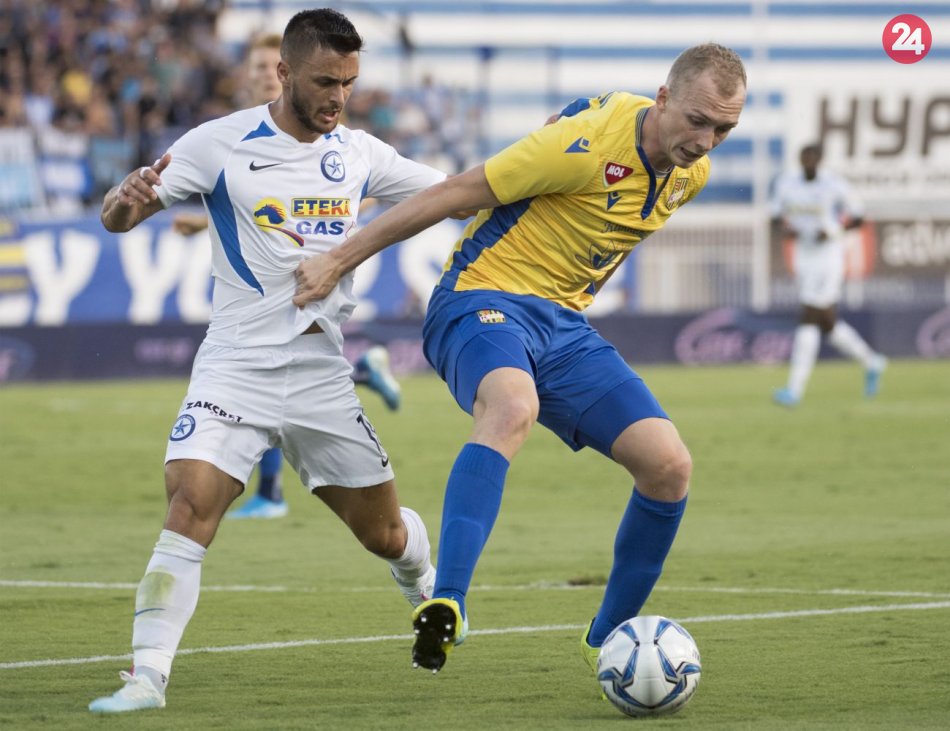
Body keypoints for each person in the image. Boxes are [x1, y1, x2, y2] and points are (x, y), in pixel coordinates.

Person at [293, 43, 747, 674]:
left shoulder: (689, 175)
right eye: (697, 120)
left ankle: (608, 645)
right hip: (480, 297)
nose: (705, 141)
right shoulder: (584, 146)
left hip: (562, 326)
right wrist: (338, 259)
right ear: (664, 98)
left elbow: (591, 158)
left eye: (723, 129)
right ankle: (446, 601)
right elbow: (456, 192)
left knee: (669, 466)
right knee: (512, 407)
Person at [89, 9, 444, 713]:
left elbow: (452, 192)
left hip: (319, 373)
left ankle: (423, 582)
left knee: (384, 534)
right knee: (191, 502)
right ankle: (147, 676)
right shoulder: (216, 144)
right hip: (234, 366)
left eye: (348, 82)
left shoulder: (361, 154)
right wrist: (124, 201)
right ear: (283, 73)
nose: (338, 97)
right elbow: (118, 217)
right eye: (324, 82)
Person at [171, 33, 402, 521]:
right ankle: (362, 372)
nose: (260, 75)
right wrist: (199, 220)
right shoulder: (231, 137)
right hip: (251, 315)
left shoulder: (333, 137)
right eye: (254, 66)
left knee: (281, 371)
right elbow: (255, 205)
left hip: (309, 295)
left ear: (284, 71)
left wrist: (340, 244)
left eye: (265, 66)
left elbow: (329, 197)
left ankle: (272, 492)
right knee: (263, 383)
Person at [770, 143, 887, 407]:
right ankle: (872, 361)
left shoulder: (834, 184)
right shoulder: (786, 184)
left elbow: (858, 217)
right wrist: (786, 230)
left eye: (813, 157)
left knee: (809, 317)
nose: (808, 161)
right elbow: (774, 217)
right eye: (805, 156)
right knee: (827, 323)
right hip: (804, 255)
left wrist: (833, 232)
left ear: (820, 160)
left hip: (828, 257)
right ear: (800, 159)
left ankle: (794, 390)